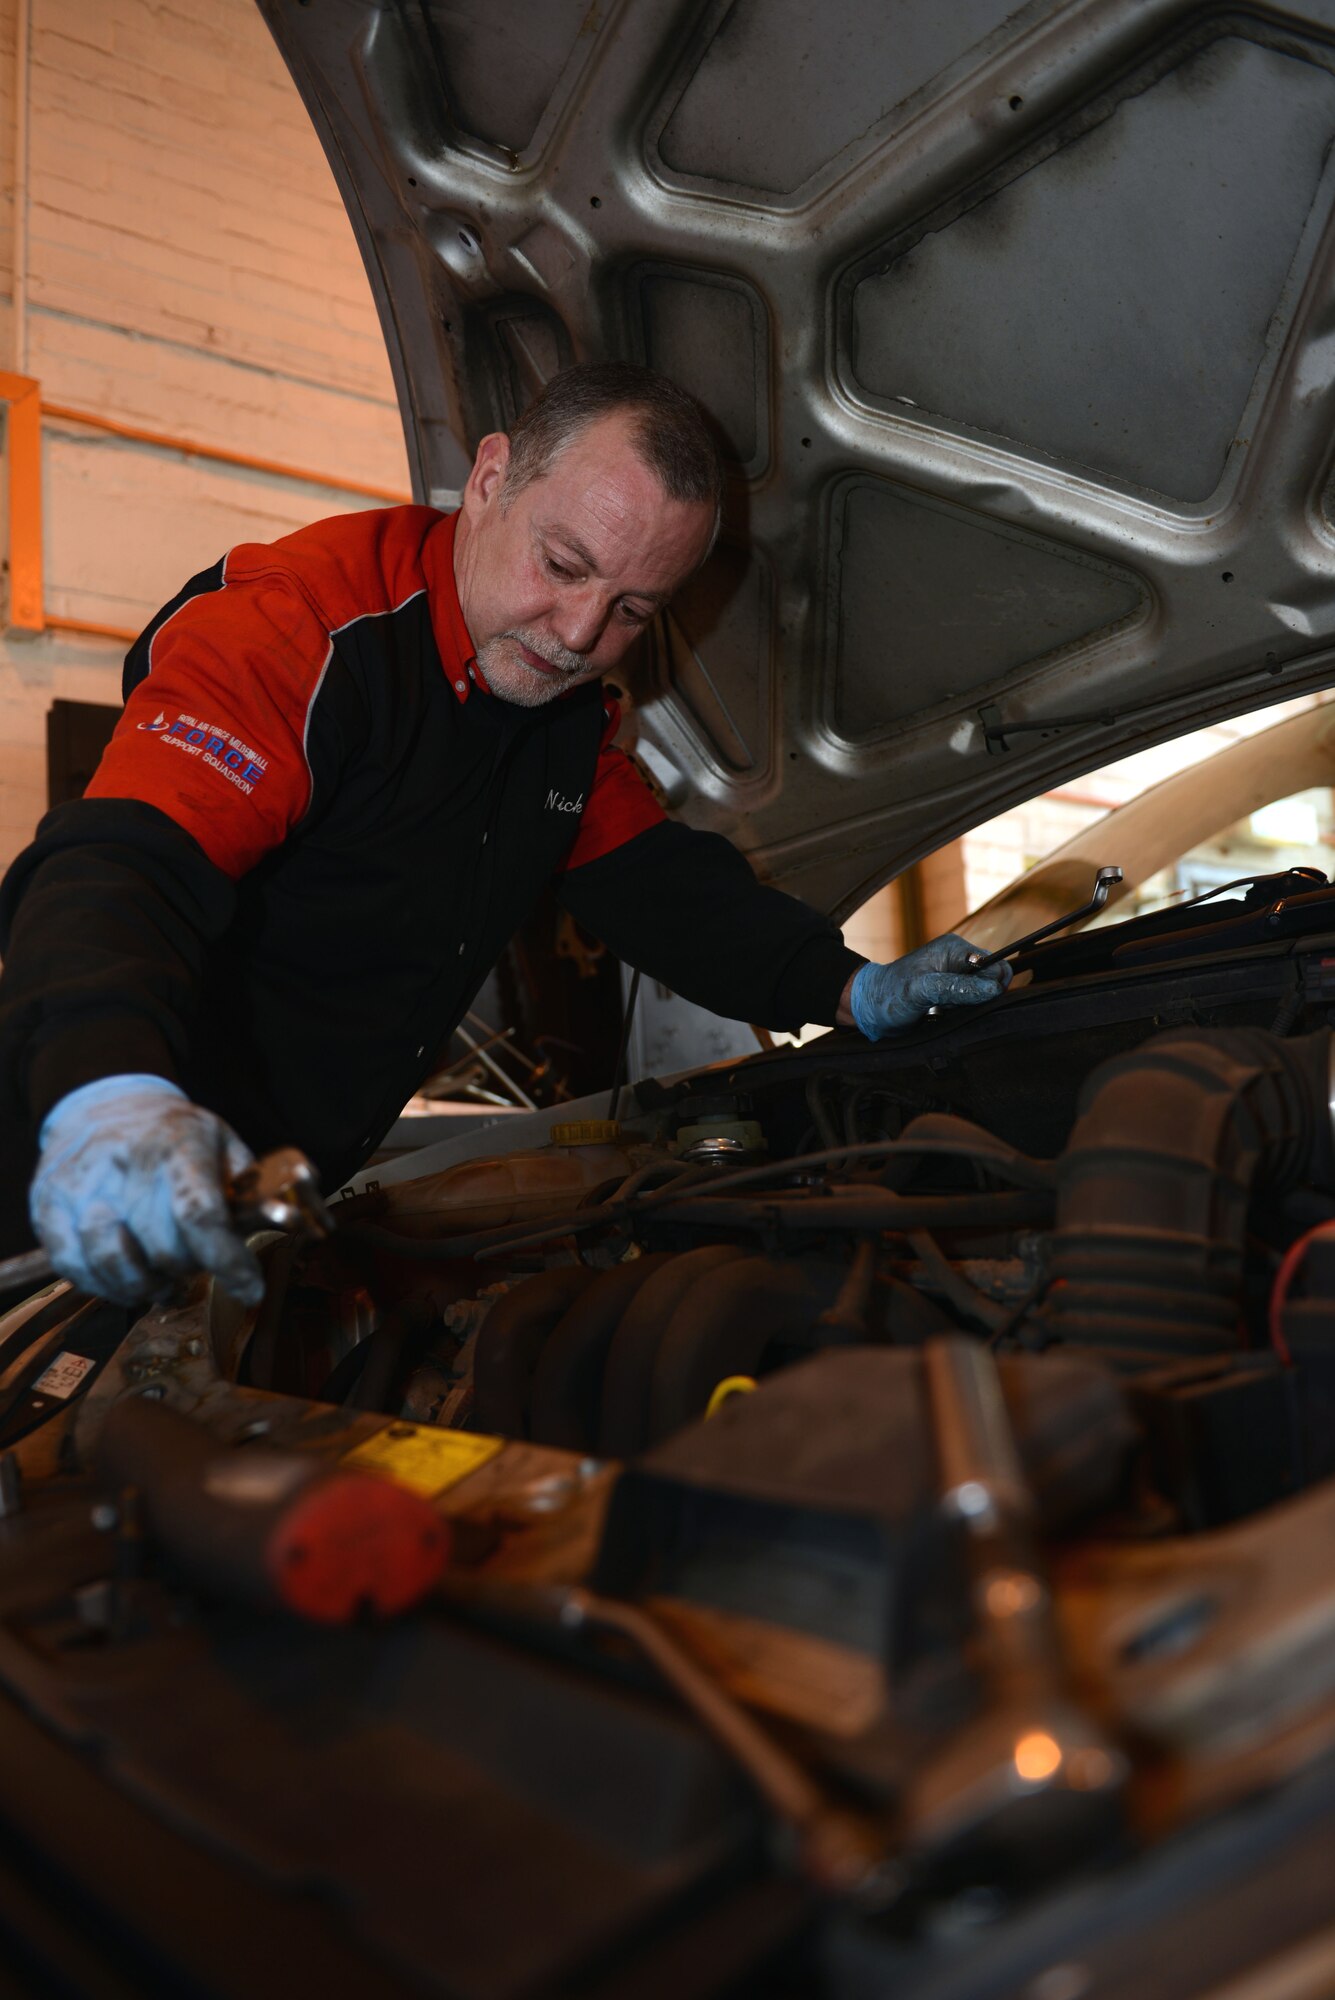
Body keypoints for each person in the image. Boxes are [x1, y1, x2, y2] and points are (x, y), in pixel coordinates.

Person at [0, 363, 1008, 1307]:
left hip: (260, 1200)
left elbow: (661, 888)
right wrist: (108, 1099)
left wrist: (846, 985)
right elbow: (120, 870)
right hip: (71, 1178)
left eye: (630, 607)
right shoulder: (299, 626)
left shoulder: (563, 724)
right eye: (564, 563)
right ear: (488, 479)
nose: (577, 633)